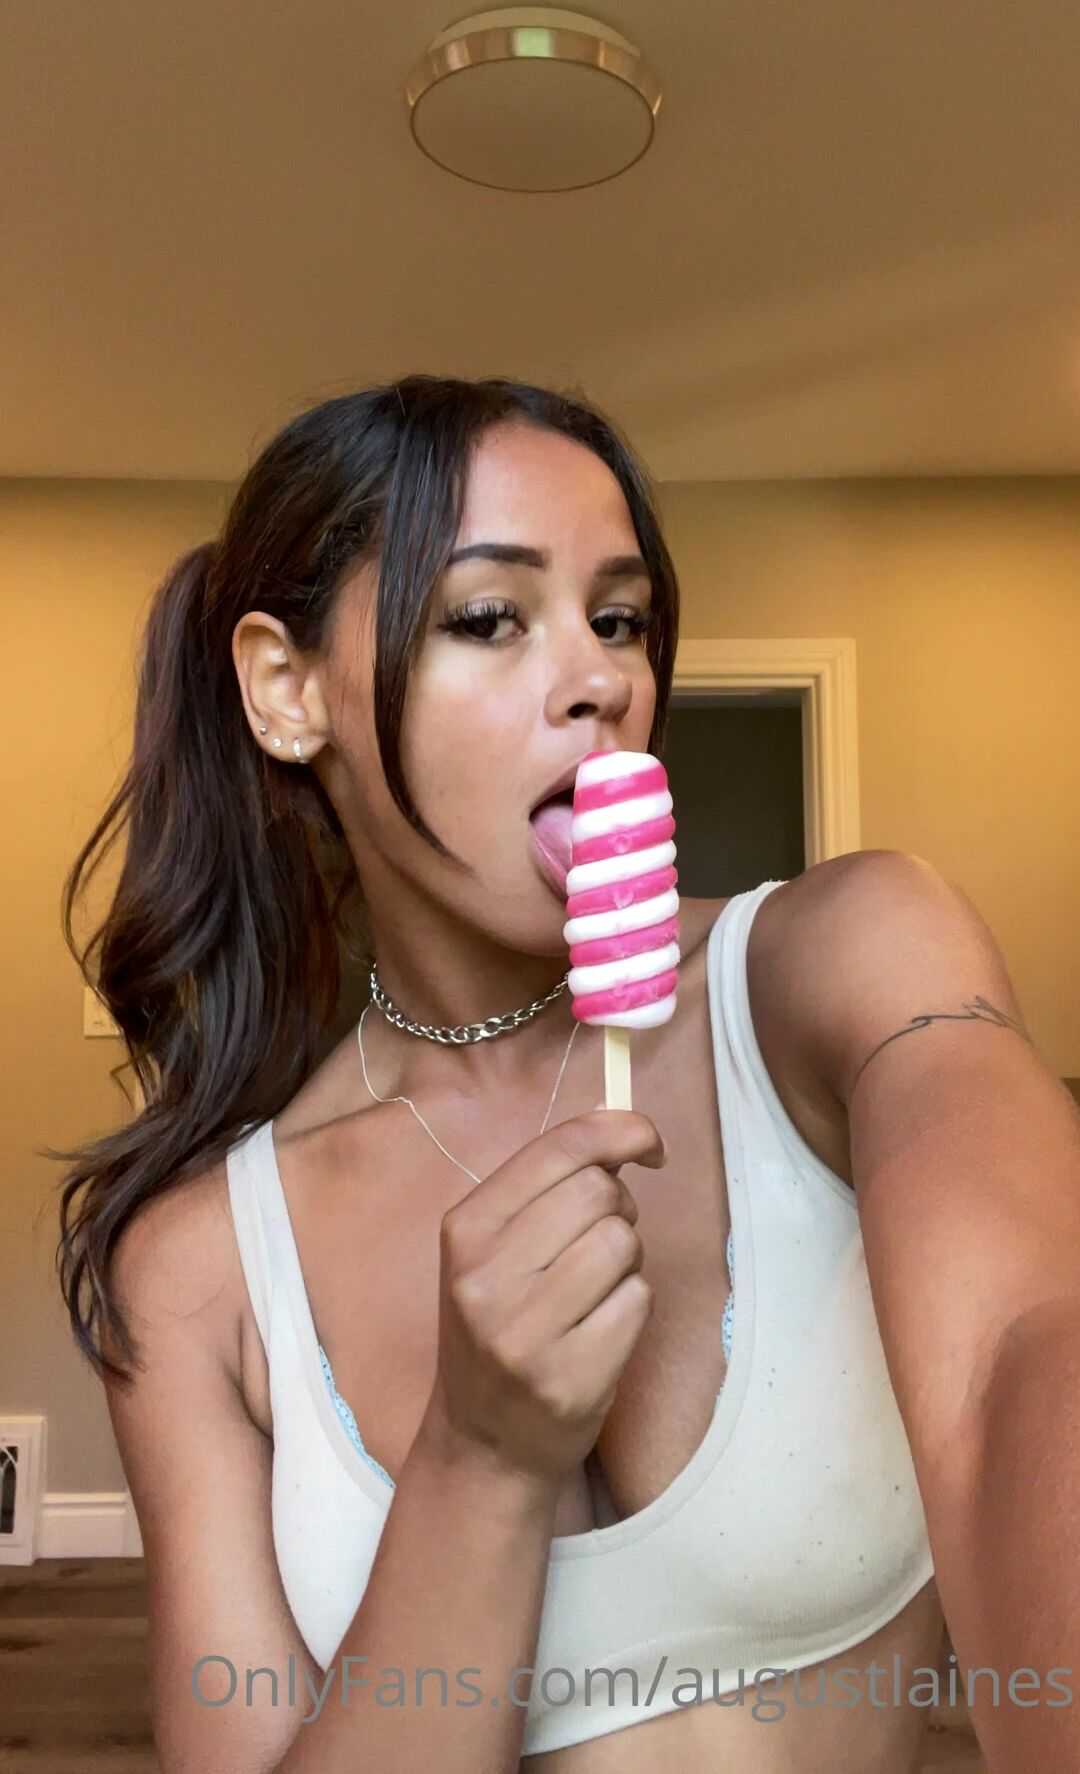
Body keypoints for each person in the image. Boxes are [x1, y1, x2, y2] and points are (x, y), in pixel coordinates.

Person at [53, 376, 1080, 1774]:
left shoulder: (846, 967)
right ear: (290, 691)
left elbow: (1029, 1351)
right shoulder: (195, 1266)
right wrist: (479, 1459)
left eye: (620, 618)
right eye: (491, 617)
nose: (604, 679)